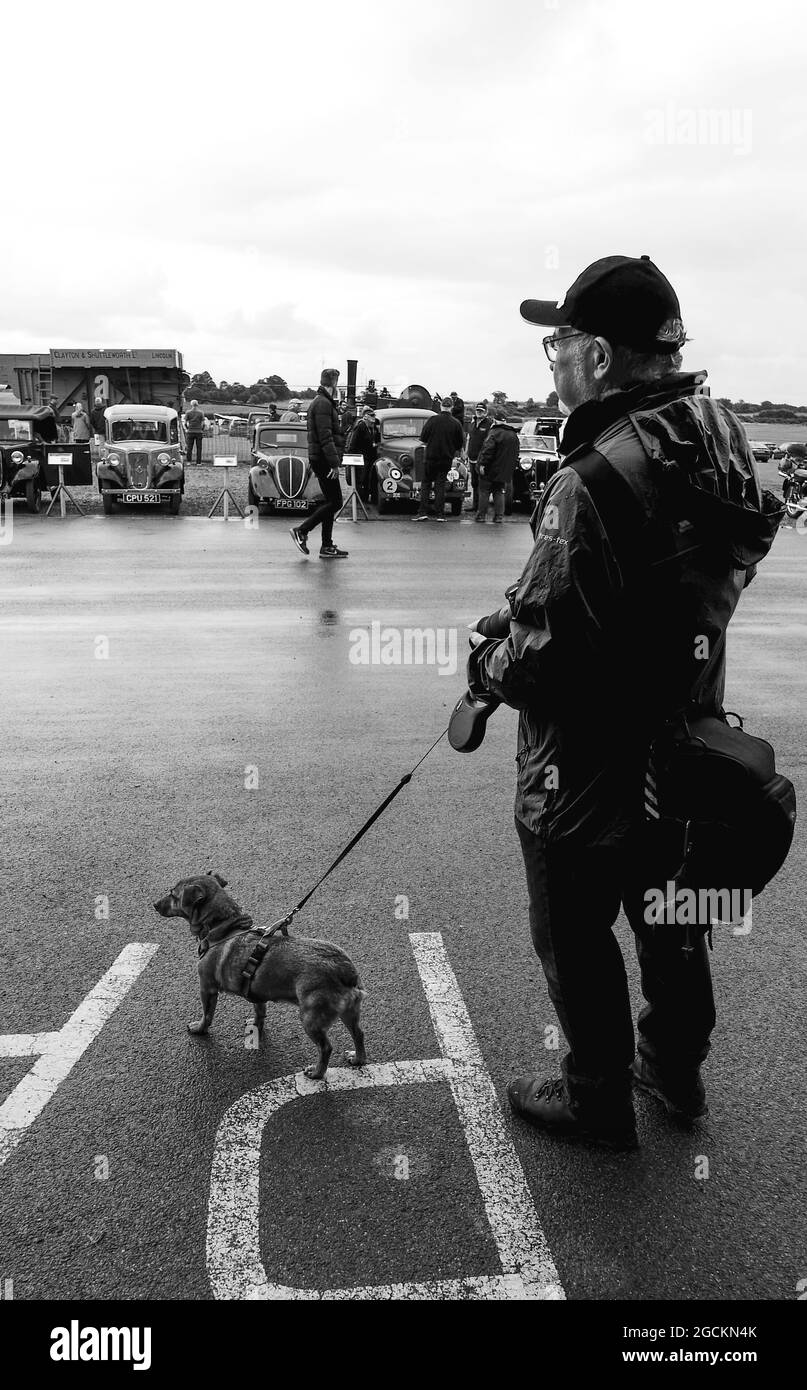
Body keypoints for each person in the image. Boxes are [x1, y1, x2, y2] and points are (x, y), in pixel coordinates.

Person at [467, 254, 781, 1149]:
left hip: (584, 766)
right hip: (687, 735)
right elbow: (669, 583)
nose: (553, 359)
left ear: (599, 357)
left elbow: (544, 659)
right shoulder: (721, 438)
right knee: (674, 914)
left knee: (572, 931)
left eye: (557, 343)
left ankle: (595, 1093)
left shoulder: (590, 475)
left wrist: (489, 663)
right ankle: (674, 1075)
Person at [290, 368, 348, 559]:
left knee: (330, 502)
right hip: (324, 459)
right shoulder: (323, 404)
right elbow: (325, 436)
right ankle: (302, 530)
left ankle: (327, 545)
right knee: (336, 501)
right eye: (337, 380)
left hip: (319, 458)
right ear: (333, 382)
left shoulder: (322, 402)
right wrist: (334, 463)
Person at [413, 397, 465, 522]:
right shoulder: (456, 423)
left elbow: (423, 438)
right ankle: (440, 514)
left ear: (441, 406)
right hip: (446, 458)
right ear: (451, 407)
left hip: (431, 456)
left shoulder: (432, 420)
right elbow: (459, 444)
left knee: (426, 483)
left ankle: (422, 512)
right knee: (440, 485)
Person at [475, 408, 519, 523]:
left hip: (490, 469)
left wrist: (482, 465)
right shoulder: (513, 435)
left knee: (484, 491)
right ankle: (499, 516)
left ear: (495, 420)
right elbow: (516, 454)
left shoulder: (494, 433)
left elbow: (487, 451)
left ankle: (481, 516)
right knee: (499, 492)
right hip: (504, 471)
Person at [346, 405, 379, 504]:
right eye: (371, 417)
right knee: (361, 479)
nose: (373, 421)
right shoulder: (360, 426)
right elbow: (353, 443)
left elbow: (375, 439)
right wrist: (351, 458)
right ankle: (360, 499)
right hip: (361, 457)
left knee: (367, 479)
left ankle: (365, 497)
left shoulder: (373, 428)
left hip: (369, 457)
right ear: (366, 417)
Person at [466, 402, 494, 511]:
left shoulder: (489, 424)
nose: (479, 412)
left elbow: (490, 443)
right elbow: (469, 438)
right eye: (477, 410)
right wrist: (466, 451)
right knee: (474, 483)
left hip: (482, 459)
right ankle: (475, 505)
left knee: (483, 484)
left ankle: (482, 508)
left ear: (486, 412)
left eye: (481, 411)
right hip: (472, 458)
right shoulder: (472, 423)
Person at [185, 399, 205, 464]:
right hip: (199, 431)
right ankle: (198, 462)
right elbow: (203, 423)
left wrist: (188, 428)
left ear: (191, 404)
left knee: (189, 447)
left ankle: (188, 461)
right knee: (199, 448)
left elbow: (185, 423)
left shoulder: (188, 412)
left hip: (190, 431)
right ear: (197, 404)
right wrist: (202, 429)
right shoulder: (201, 413)